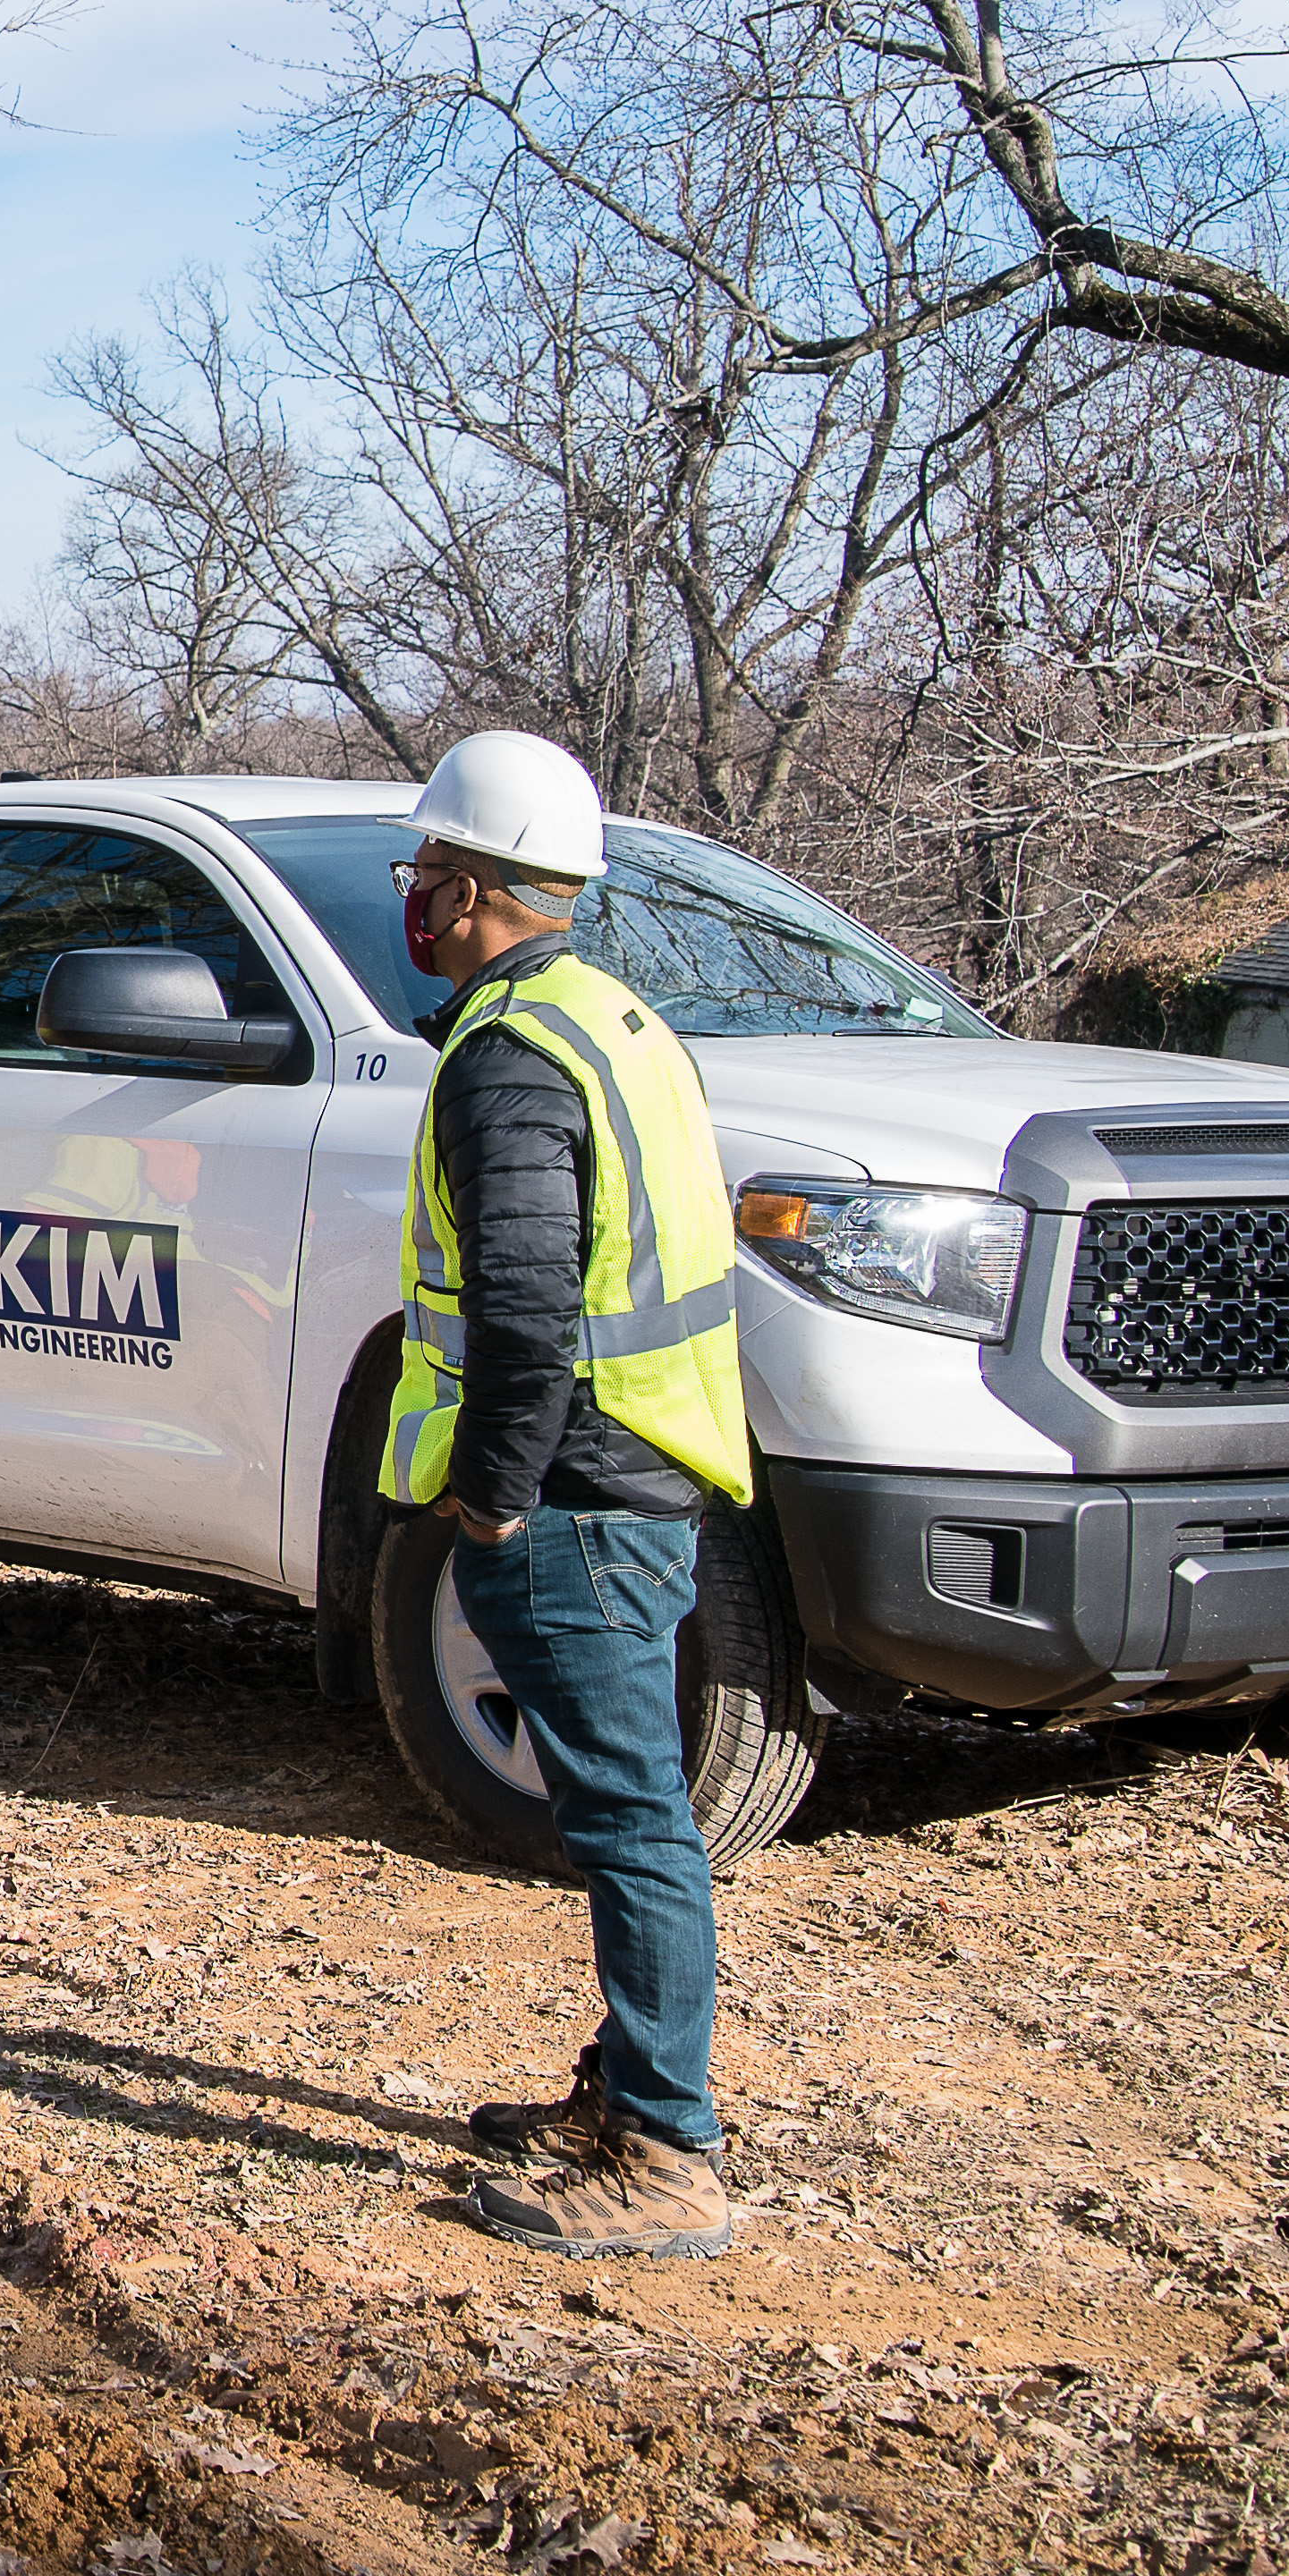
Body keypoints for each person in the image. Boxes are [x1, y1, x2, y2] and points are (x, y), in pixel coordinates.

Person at [379, 733, 757, 2259]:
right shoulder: (612, 1018)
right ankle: (625, 2095)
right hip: (639, 1470)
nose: (410, 903)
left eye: (422, 880)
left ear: (470, 891)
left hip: (576, 1496)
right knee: (629, 1808)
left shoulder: (509, 1056)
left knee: (629, 1818)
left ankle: (666, 2149)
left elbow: (525, 1312)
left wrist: (488, 1503)